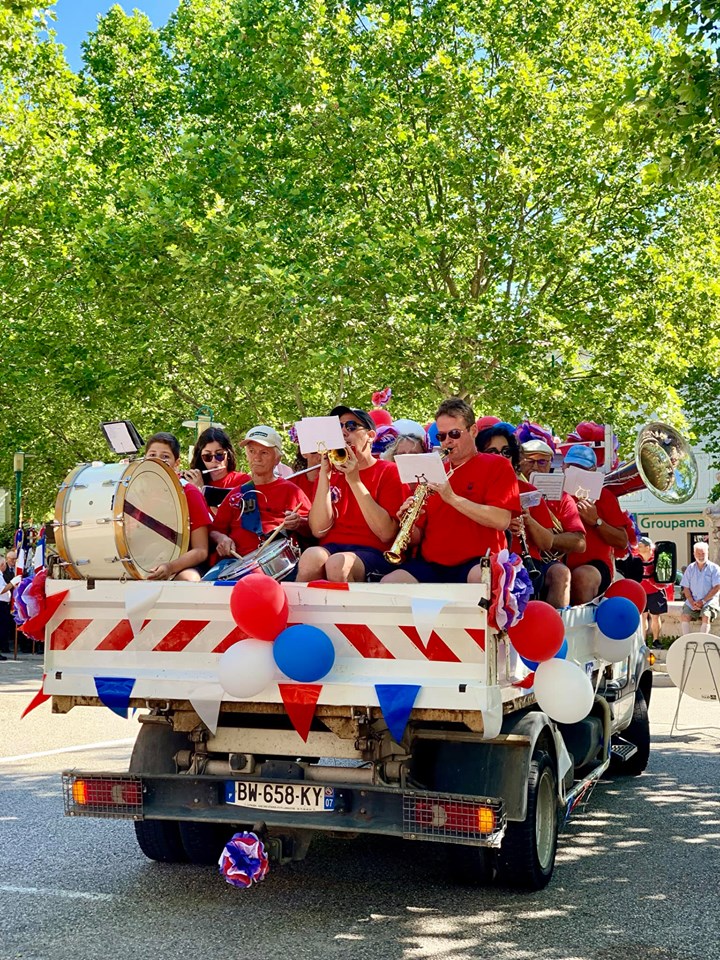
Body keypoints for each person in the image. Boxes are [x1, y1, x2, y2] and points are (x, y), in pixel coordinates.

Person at [381, 397, 520, 584]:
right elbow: (417, 537)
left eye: (454, 434)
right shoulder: (432, 469)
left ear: (473, 431)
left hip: (477, 562)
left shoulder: (498, 465)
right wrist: (407, 521)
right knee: (390, 583)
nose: (447, 441)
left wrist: (452, 498)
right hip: (432, 564)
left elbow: (501, 520)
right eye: (442, 436)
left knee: (482, 579)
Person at [296, 407, 407, 583]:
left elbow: (386, 534)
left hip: (374, 551)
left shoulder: (389, 471)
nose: (343, 432)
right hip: (333, 546)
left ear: (370, 436)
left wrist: (354, 481)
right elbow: (318, 529)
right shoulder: (331, 473)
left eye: (351, 426)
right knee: (311, 557)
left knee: (338, 563)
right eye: (339, 427)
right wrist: (325, 476)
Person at [205, 426, 311, 580]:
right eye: (252, 451)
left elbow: (313, 531)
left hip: (277, 566)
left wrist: (299, 523)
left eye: (264, 452)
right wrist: (222, 539)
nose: (256, 458)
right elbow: (214, 530)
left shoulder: (292, 492)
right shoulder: (236, 494)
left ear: (277, 459)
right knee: (202, 588)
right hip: (235, 564)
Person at [476, 424, 554, 590]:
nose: (502, 457)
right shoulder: (473, 489)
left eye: (506, 452)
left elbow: (548, 543)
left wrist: (528, 521)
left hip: (524, 563)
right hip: (482, 561)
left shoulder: (528, 491)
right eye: (493, 452)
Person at [518, 439, 585, 607]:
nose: (535, 467)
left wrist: (548, 538)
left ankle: (555, 625)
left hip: (544, 560)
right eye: (529, 461)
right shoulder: (508, 487)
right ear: (519, 461)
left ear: (549, 465)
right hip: (514, 555)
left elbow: (580, 543)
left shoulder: (563, 498)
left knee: (561, 574)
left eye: (542, 462)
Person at [561, 444, 631, 604]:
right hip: (558, 563)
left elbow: (622, 541)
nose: (577, 473)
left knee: (583, 577)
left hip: (595, 567)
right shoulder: (552, 493)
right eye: (573, 467)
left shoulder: (605, 496)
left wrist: (596, 521)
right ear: (564, 466)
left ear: (593, 471)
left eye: (582, 469)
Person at [144, 432, 213, 581]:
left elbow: (201, 550)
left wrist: (170, 567)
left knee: (188, 579)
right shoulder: (139, 493)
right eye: (152, 455)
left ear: (176, 464)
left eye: (165, 456)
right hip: (152, 559)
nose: (158, 460)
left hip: (185, 563)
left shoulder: (189, 492)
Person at [182, 427, 249, 510]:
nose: (214, 460)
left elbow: (222, 520)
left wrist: (201, 492)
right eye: (207, 456)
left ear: (228, 454)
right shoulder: (194, 481)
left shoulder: (242, 481)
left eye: (219, 454)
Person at [680, 542, 720, 634]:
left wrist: (703, 601)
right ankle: (686, 641)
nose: (701, 556)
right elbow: (685, 587)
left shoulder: (714, 568)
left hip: (709, 601)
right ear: (694, 554)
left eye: (703, 553)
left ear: (707, 553)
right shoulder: (690, 568)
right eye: (698, 553)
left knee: (706, 616)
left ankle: (702, 641)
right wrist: (691, 601)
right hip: (692, 601)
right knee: (684, 616)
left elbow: (717, 587)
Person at [636, 536, 668, 645]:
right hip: (640, 592)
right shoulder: (636, 559)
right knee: (642, 616)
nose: (638, 547)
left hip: (655, 591)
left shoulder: (657, 559)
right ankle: (642, 641)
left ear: (648, 547)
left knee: (655, 616)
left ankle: (656, 640)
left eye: (641, 546)